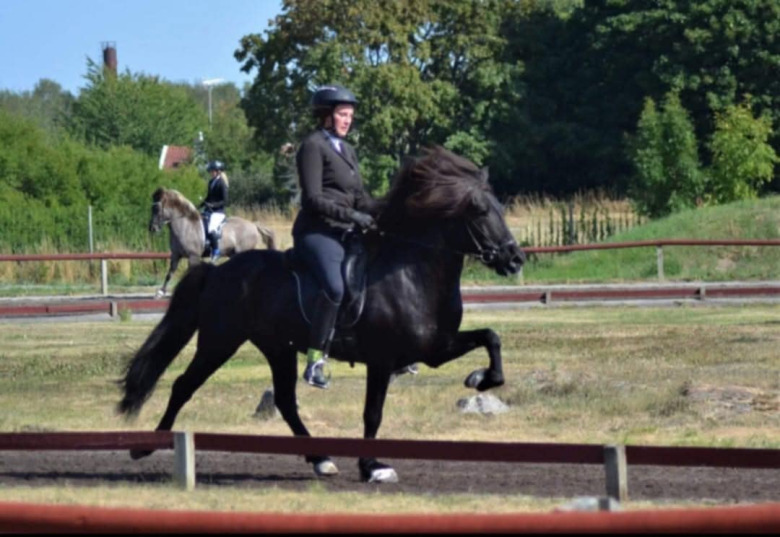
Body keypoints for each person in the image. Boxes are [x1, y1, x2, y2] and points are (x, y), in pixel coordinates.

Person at [294, 84, 379, 389]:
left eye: (350, 115)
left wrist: (387, 208)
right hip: (317, 231)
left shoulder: (348, 150)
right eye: (343, 114)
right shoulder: (313, 146)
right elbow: (314, 199)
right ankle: (315, 360)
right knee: (334, 286)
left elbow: (361, 199)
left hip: (346, 231)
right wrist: (353, 216)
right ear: (326, 116)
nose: (348, 120)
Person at [199, 160, 229, 262]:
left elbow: (224, 201)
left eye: (212, 171)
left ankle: (216, 250)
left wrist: (213, 205)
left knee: (211, 228)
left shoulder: (222, 183)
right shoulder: (211, 182)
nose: (211, 173)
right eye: (210, 171)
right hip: (210, 210)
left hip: (218, 212)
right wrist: (198, 206)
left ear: (218, 171)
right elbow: (208, 197)